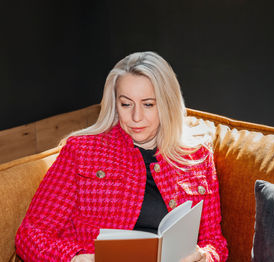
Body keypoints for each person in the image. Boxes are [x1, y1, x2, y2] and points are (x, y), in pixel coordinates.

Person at [15, 51, 228, 261]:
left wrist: (206, 257)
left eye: (148, 104)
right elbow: (30, 236)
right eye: (126, 104)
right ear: (115, 104)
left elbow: (213, 241)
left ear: (167, 104)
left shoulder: (197, 156)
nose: (136, 117)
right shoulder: (81, 151)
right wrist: (76, 258)